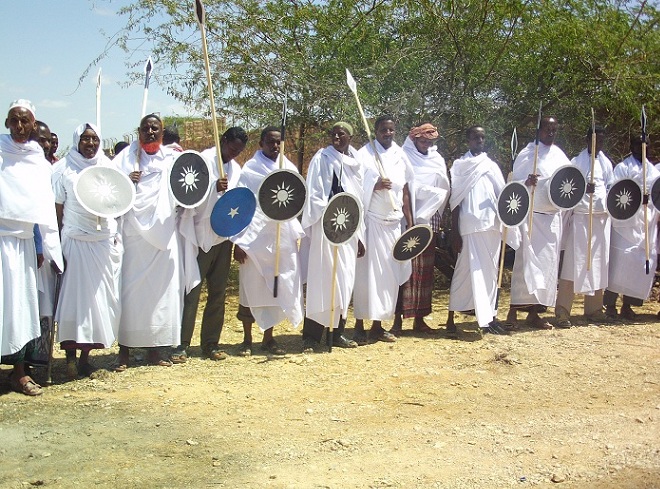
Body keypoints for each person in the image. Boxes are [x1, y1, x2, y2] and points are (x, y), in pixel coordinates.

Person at [0, 99, 62, 395]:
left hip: (24, 242)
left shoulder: (38, 159)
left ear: (33, 124)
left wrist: (43, 246)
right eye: (14, 120)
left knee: (21, 307)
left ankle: (19, 373)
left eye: (25, 121)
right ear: (6, 123)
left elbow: (42, 207)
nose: (19, 126)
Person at [51, 123, 123, 378]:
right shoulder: (63, 169)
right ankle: (70, 358)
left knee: (96, 302)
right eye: (85, 139)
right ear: (76, 141)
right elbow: (58, 210)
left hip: (101, 244)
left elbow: (117, 201)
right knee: (75, 301)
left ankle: (85, 358)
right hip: (76, 242)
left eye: (94, 139)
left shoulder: (108, 167)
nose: (90, 144)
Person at [172, 127, 248, 363]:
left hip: (223, 238)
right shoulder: (202, 162)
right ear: (223, 140)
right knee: (192, 291)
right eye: (232, 148)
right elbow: (187, 198)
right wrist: (212, 189)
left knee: (218, 292)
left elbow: (238, 204)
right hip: (199, 236)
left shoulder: (236, 169)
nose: (234, 154)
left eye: (238, 151)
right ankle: (181, 344)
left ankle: (210, 343)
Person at [113, 114, 182, 370]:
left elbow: (188, 187)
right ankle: (124, 351)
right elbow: (111, 188)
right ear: (139, 132)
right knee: (129, 294)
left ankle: (156, 349)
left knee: (159, 294)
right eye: (146, 128)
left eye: (155, 128)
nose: (150, 132)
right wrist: (127, 182)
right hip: (134, 235)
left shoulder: (172, 159)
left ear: (162, 133)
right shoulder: (124, 159)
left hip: (163, 234)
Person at [231, 126, 304, 356]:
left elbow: (294, 201)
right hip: (253, 239)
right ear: (261, 143)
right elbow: (241, 204)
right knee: (251, 288)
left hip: (280, 238)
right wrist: (238, 242)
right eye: (270, 142)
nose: (274, 146)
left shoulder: (288, 168)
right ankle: (247, 340)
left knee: (274, 288)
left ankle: (269, 339)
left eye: (278, 142)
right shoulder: (250, 169)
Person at [446, 126, 516, 336]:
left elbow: (503, 195)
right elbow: (455, 202)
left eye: (482, 137)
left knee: (490, 273)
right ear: (468, 140)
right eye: (475, 137)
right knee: (463, 272)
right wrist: (454, 231)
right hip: (468, 227)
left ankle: (489, 318)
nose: (479, 140)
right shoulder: (459, 166)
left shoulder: (491, 166)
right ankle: (451, 318)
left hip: (491, 225)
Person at [300, 122, 363, 352]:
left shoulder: (357, 163)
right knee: (323, 279)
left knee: (344, 280)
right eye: (333, 133)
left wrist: (360, 235)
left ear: (350, 137)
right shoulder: (322, 158)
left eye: (341, 134)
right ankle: (312, 336)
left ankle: (337, 333)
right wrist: (328, 210)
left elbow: (360, 202)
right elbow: (314, 192)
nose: (336, 137)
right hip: (326, 227)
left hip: (348, 229)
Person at [352, 115, 415, 343]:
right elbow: (355, 187)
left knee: (387, 277)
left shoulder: (400, 155)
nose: (387, 133)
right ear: (375, 132)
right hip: (372, 222)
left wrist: (410, 222)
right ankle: (359, 324)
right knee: (365, 277)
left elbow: (405, 190)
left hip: (394, 224)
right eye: (383, 130)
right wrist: (374, 185)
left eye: (391, 130)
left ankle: (377, 326)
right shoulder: (364, 155)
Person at [505, 117, 571, 330]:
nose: (551, 133)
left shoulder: (559, 155)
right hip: (531, 218)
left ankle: (534, 314)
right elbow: (513, 184)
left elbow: (569, 183)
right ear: (539, 130)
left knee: (546, 268)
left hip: (551, 219)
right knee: (524, 265)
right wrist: (526, 182)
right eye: (547, 129)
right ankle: (513, 312)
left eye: (554, 129)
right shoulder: (527, 154)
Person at [391, 123, 449, 336]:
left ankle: (420, 320)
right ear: (414, 139)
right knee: (402, 269)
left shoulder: (437, 159)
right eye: (423, 141)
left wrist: (432, 201)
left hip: (429, 221)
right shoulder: (403, 156)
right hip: (406, 221)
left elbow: (444, 188)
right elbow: (401, 187)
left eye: (430, 142)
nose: (426, 145)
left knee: (424, 271)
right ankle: (397, 320)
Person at [555, 126, 614, 326]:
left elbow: (611, 189)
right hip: (581, 219)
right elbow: (567, 189)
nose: (598, 144)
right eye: (595, 140)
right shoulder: (575, 163)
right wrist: (582, 190)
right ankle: (563, 310)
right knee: (573, 264)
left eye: (602, 140)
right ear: (587, 140)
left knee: (598, 265)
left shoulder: (606, 164)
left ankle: (594, 309)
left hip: (600, 221)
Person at [603, 135, 659, 320]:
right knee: (618, 264)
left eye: (645, 144)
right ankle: (610, 304)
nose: (642, 147)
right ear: (631, 146)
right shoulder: (623, 168)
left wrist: (649, 200)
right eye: (638, 144)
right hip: (625, 225)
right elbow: (615, 192)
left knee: (638, 266)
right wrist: (636, 198)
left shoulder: (653, 171)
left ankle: (627, 305)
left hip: (646, 223)